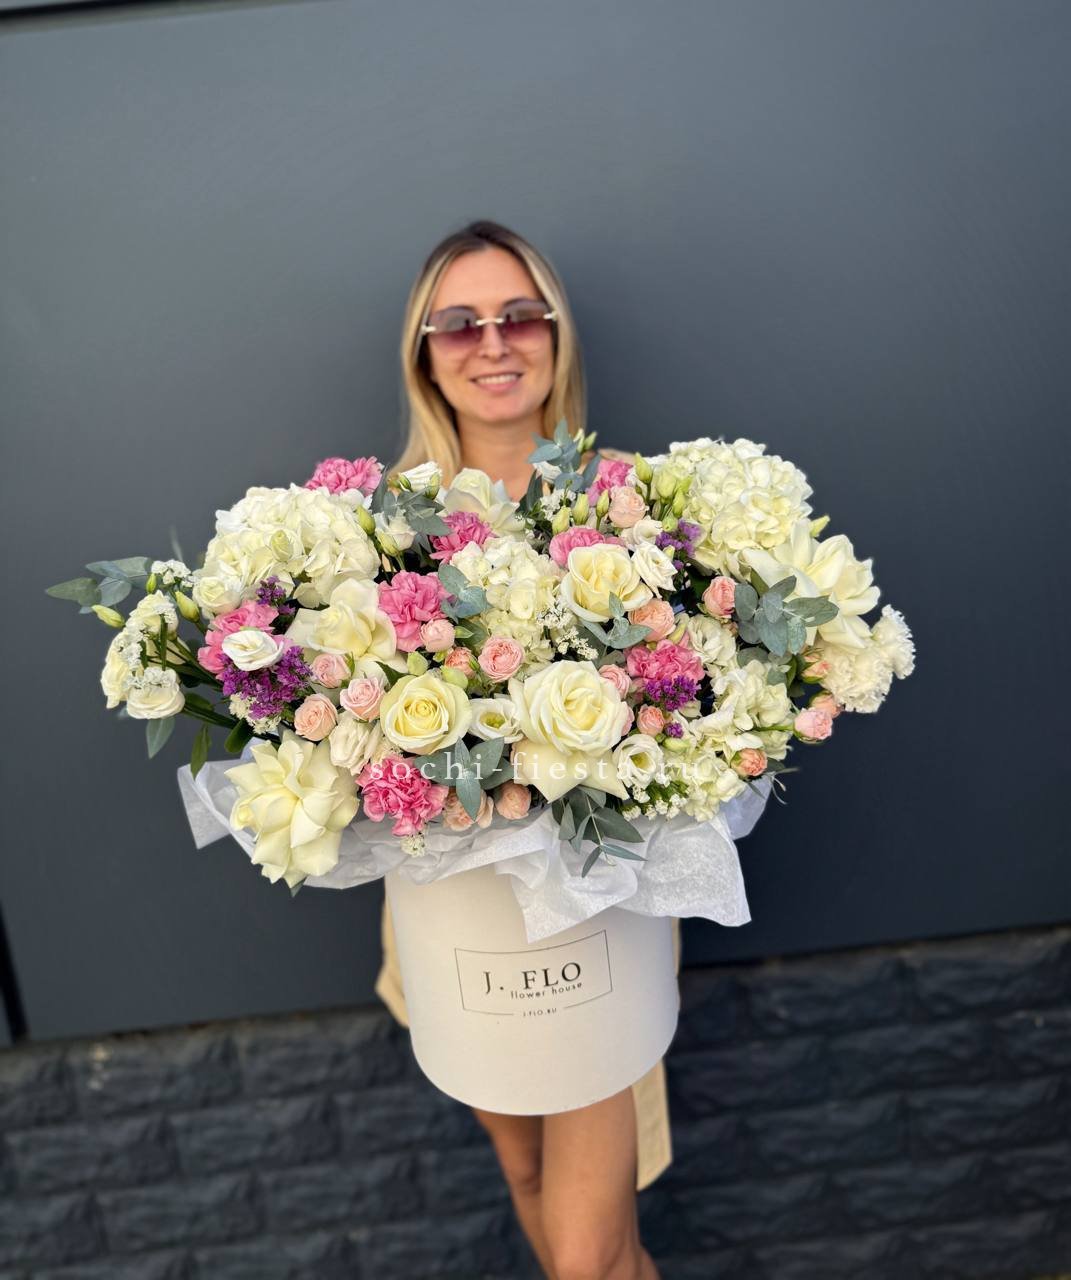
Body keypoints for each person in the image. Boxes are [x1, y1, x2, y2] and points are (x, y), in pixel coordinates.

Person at [378, 218, 680, 1280]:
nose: (493, 342)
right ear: (425, 354)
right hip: (455, 917)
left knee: (590, 1254)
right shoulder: (381, 525)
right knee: (530, 1179)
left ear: (556, 334)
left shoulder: (636, 499)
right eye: (458, 323)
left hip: (594, 915)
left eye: (519, 315)